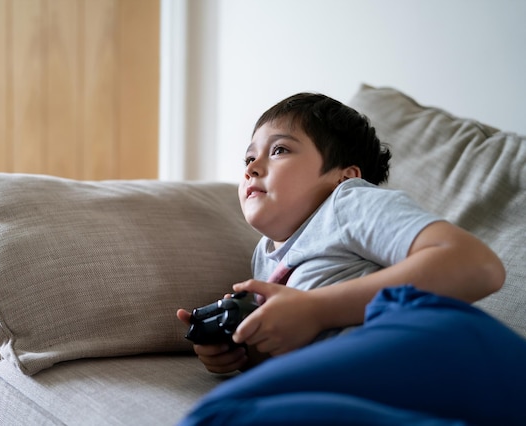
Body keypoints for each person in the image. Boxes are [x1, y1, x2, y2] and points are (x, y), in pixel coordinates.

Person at [176, 93, 526, 425]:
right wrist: (242, 350)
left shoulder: (346, 202)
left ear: (344, 176)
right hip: (400, 384)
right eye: (249, 158)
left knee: (220, 414)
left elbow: (476, 266)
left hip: (438, 341)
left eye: (279, 149)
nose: (252, 168)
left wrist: (314, 309)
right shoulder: (265, 256)